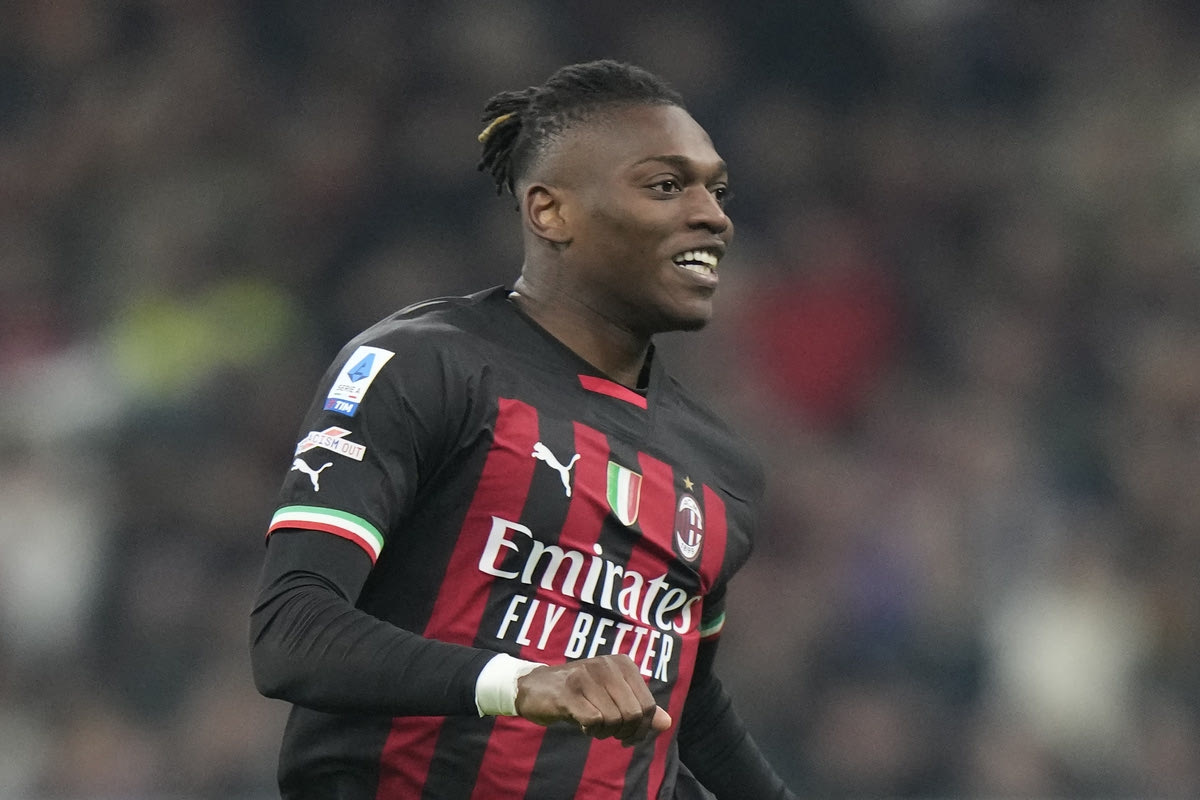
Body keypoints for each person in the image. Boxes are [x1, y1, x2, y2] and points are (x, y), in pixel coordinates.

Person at [251, 59, 796, 799]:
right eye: (667, 186)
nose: (713, 216)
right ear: (550, 212)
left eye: (717, 191)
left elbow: (686, 706)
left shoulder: (720, 468)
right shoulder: (424, 366)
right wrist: (519, 683)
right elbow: (292, 630)